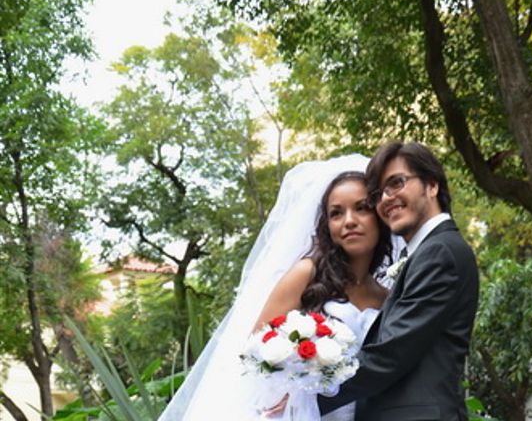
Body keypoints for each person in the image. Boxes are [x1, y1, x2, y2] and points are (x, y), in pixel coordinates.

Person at [158, 154, 395, 421]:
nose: (349, 221)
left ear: (379, 215)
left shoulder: (386, 295)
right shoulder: (307, 273)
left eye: (361, 208)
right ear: (327, 225)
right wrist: (289, 384)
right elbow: (255, 349)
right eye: (336, 213)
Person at [318, 142, 479, 421]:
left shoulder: (440, 252)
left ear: (431, 185)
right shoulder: (425, 252)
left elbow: (392, 354)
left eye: (397, 183)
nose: (386, 199)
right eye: (379, 193)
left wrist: (307, 397)